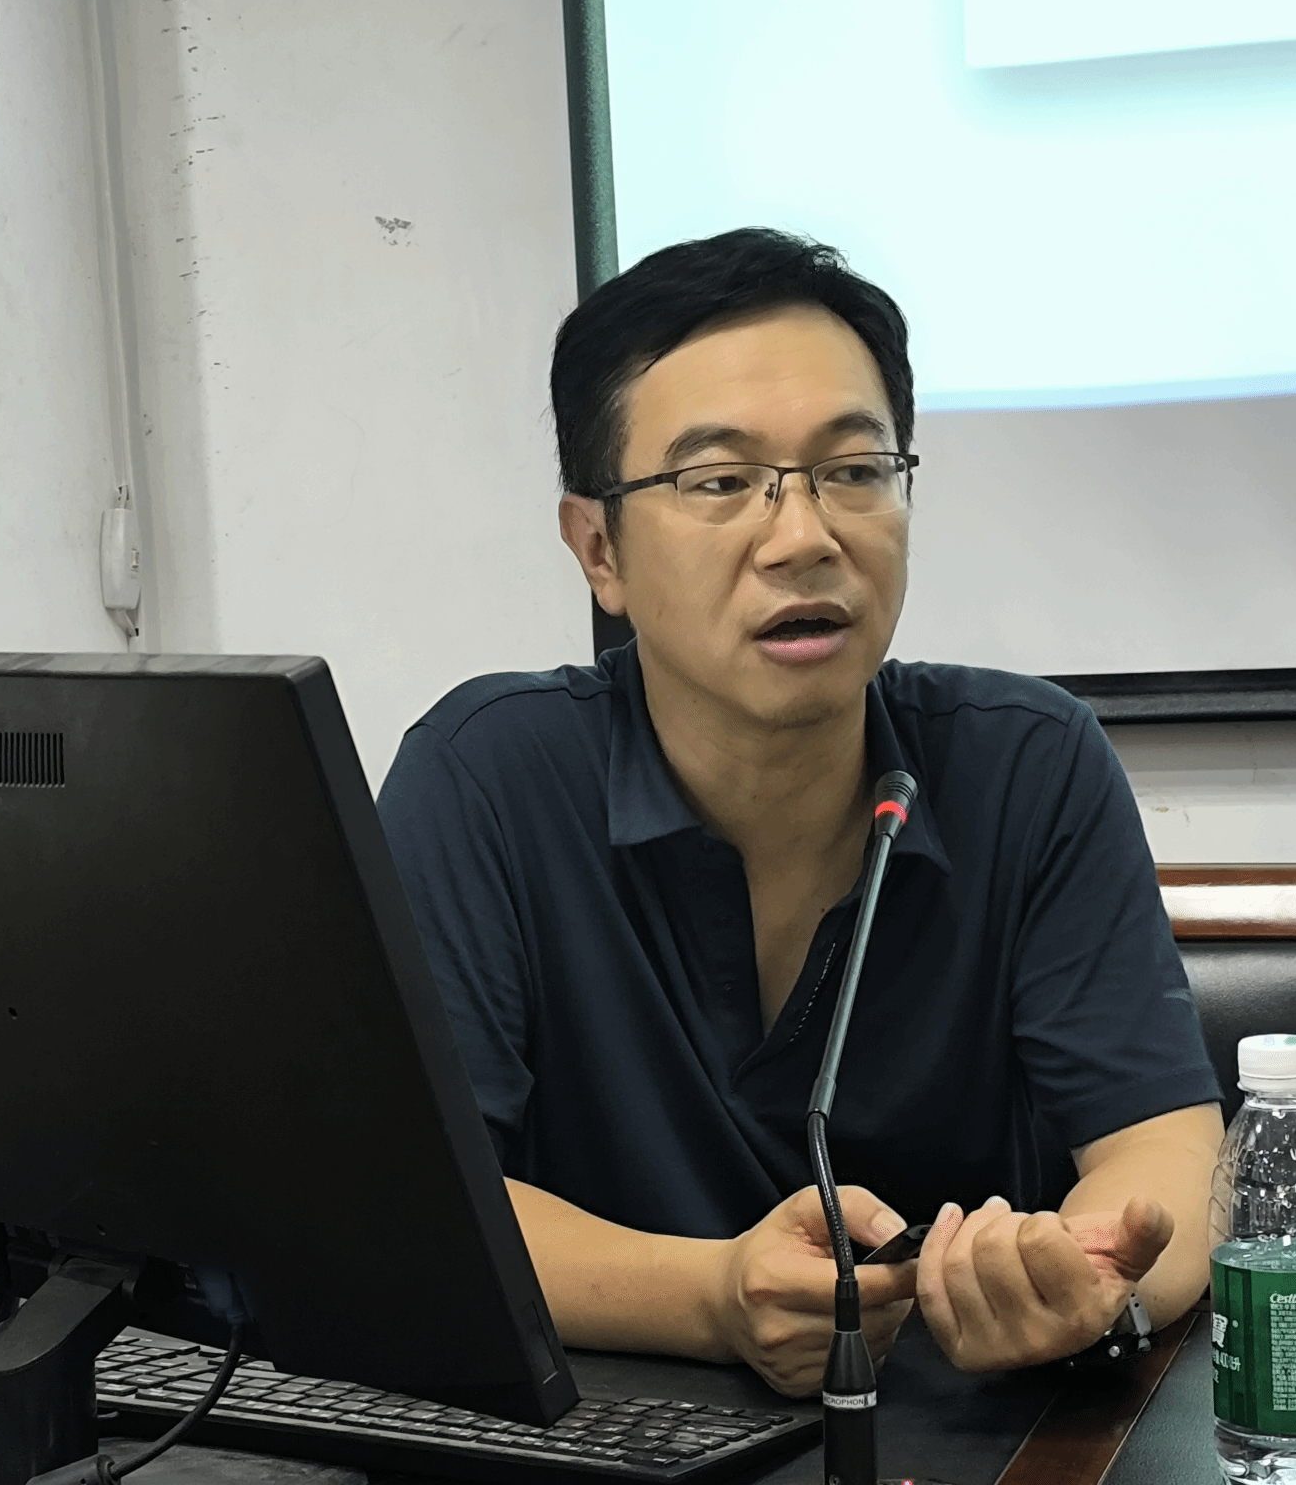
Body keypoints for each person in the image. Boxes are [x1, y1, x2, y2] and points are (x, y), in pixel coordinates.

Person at [378, 228, 1222, 1396]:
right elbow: (417, 1208)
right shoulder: (486, 777)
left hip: (956, 1429)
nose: (804, 537)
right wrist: (712, 1297)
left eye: (854, 471)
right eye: (720, 483)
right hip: (613, 1436)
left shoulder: (1027, 764)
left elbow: (1165, 1151)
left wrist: (1088, 1285)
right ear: (598, 550)